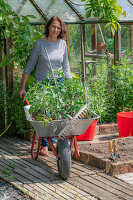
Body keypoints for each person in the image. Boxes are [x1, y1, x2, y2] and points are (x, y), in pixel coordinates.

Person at [19, 16, 72, 156]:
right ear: (48, 27)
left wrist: (72, 86)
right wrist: (23, 87)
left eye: (58, 27)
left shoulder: (62, 44)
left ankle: (54, 141)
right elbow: (30, 66)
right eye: (53, 26)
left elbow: (66, 66)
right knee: (44, 114)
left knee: (58, 113)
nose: (55, 30)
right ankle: (44, 145)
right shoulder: (39, 44)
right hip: (42, 83)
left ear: (61, 30)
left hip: (59, 82)